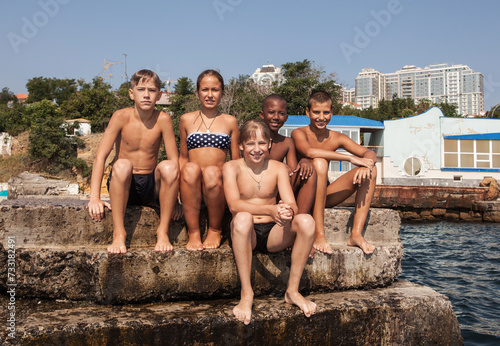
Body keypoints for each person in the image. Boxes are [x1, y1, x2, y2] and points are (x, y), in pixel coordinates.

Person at [223, 119, 317, 325]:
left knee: (306, 221)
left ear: (269, 145)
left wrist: (286, 211)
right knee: (243, 217)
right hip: (247, 235)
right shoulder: (231, 167)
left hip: (275, 231)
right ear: (241, 145)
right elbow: (234, 205)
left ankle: (292, 291)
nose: (256, 149)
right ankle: (247, 293)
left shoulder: (278, 168)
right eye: (250, 144)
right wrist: (269, 209)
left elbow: (292, 204)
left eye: (261, 144)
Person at [88, 69, 181, 254]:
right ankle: (119, 233)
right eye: (141, 89)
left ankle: (163, 232)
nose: (146, 95)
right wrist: (94, 197)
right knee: (122, 164)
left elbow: (174, 160)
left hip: (150, 185)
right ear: (131, 93)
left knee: (169, 167)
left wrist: (177, 200)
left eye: (152, 90)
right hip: (124, 184)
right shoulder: (120, 116)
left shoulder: (163, 119)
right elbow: (101, 156)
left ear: (160, 95)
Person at [292, 90, 377, 255]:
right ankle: (319, 234)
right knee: (320, 163)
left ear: (332, 112)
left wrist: (368, 164)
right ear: (308, 112)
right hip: (302, 195)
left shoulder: (336, 137)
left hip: (325, 194)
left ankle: (356, 234)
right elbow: (309, 152)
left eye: (326, 112)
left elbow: (368, 153)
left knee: (371, 171)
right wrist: (350, 159)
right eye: (316, 112)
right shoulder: (299, 133)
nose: (321, 117)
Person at [179, 69, 240, 251]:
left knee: (213, 171)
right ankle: (194, 231)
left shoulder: (230, 121)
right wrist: (176, 192)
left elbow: (235, 161)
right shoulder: (186, 119)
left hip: (217, 188)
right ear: (197, 92)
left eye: (215, 90)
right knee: (190, 169)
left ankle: (215, 229)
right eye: (205, 89)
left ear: (222, 93)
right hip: (192, 187)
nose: (210, 95)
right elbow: (182, 157)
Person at [259, 94, 317, 214]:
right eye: (271, 112)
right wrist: (277, 165)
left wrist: (304, 161)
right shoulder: (253, 139)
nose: (276, 117)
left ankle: (299, 219)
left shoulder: (287, 142)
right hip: (257, 187)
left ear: (286, 117)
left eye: (281, 113)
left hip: (280, 190)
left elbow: (293, 171)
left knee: (309, 172)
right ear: (262, 114)